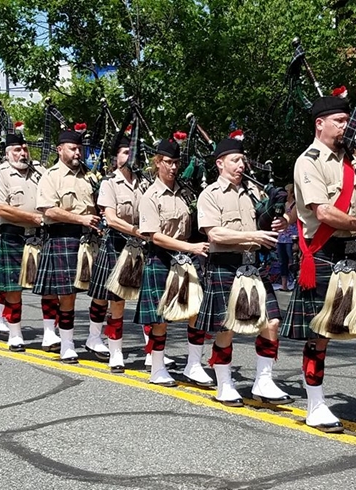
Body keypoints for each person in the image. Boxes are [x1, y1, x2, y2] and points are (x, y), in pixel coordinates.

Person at [283, 94, 356, 432]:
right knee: (320, 334)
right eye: (338, 121)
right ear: (319, 124)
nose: (345, 126)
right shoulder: (309, 161)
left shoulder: (348, 162)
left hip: (355, 254)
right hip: (323, 254)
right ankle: (316, 404)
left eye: (346, 120)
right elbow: (323, 212)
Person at [196, 130, 291, 407]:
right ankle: (224, 384)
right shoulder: (209, 195)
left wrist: (282, 219)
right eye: (235, 160)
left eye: (243, 160)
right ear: (220, 163)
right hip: (225, 265)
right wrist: (254, 238)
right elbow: (215, 235)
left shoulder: (254, 192)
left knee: (271, 321)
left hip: (254, 266)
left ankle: (263, 381)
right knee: (226, 328)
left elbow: (276, 215)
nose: (241, 165)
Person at [132, 136, 212, 381]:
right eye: (168, 162)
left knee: (196, 311)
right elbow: (155, 236)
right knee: (160, 318)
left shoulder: (186, 193)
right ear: (158, 163)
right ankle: (157, 367)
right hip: (162, 258)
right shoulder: (150, 197)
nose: (174, 167)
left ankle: (194, 364)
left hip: (187, 258)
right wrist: (191, 247)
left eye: (177, 162)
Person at [34, 125, 99, 363]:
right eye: (72, 149)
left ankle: (95, 337)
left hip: (88, 239)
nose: (77, 153)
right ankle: (67, 343)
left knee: (98, 291)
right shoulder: (51, 176)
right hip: (62, 237)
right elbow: (48, 210)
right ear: (60, 149)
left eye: (79, 149)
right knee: (67, 294)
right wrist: (80, 218)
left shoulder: (89, 176)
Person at [85, 133, 145, 362]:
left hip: (139, 246)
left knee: (148, 298)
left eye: (133, 152)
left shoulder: (144, 183)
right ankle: (114, 349)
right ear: (116, 158)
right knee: (113, 299)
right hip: (116, 242)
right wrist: (138, 231)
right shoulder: (109, 183)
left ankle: (152, 351)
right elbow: (110, 219)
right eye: (126, 152)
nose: (131, 157)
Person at [0, 130, 44, 350]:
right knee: (14, 288)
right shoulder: (1, 173)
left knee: (48, 287)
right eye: (17, 150)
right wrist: (32, 217)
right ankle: (15, 332)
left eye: (25, 149)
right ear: (8, 153)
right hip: (14, 235)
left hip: (40, 237)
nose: (23, 153)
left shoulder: (39, 170)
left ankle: (51, 333)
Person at [274, 184, 297, 291]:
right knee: (282, 262)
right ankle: (284, 285)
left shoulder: (295, 205)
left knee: (292, 261)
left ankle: (296, 282)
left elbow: (291, 219)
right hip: (281, 237)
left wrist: (281, 212)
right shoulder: (282, 204)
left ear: (292, 193)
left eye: (286, 191)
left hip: (291, 238)